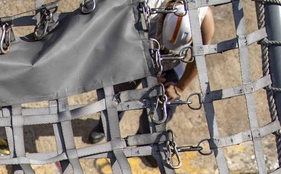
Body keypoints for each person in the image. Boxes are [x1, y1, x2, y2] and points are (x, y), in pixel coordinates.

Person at [86, 0, 215, 148]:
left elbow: (199, 55)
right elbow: (119, 40)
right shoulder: (145, 6)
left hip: (170, 61)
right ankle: (106, 126)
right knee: (116, 94)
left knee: (164, 104)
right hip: (135, 57)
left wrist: (179, 87)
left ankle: (144, 135)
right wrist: (147, 71)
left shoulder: (203, 16)